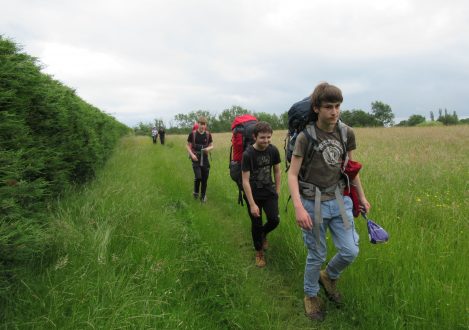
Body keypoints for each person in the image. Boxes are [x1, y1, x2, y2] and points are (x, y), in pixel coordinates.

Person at [287, 82, 371, 321]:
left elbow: (351, 169)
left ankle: (329, 276)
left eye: (338, 106)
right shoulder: (305, 137)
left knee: (350, 250)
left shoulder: (346, 132)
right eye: (328, 107)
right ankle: (311, 295)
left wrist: (361, 197)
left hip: (338, 199)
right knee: (317, 253)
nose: (334, 112)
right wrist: (298, 208)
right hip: (312, 202)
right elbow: (292, 175)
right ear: (316, 108)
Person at [241, 121, 281, 268]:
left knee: (274, 220)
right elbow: (245, 181)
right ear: (254, 137)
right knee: (256, 224)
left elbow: (277, 171)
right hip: (254, 194)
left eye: (268, 137)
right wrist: (252, 204)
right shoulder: (248, 154)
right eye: (262, 137)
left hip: (269, 192)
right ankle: (259, 253)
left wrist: (277, 191)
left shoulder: (273, 150)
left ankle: (263, 234)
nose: (266, 141)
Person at [186, 116, 213, 203]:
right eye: (201, 124)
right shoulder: (193, 134)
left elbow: (212, 145)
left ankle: (203, 196)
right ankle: (196, 193)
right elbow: (187, 145)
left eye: (204, 124)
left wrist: (207, 149)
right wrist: (191, 155)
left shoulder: (208, 135)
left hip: (205, 159)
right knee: (198, 177)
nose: (202, 126)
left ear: (206, 125)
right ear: (198, 124)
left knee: (205, 179)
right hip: (195, 158)